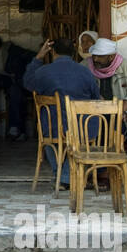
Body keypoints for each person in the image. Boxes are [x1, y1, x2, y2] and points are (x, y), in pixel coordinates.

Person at [22, 37, 100, 190]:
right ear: (73, 53)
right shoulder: (85, 72)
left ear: (53, 52)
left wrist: (38, 57)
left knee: (50, 139)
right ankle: (65, 178)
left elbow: (27, 83)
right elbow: (96, 98)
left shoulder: (43, 72)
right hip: (82, 129)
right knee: (88, 138)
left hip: (52, 129)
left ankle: (62, 177)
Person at [0, 34, 34, 140]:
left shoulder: (12, 51)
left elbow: (33, 57)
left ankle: (15, 129)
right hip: (11, 87)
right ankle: (20, 131)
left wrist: (27, 74)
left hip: (26, 83)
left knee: (16, 93)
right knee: (15, 94)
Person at [84, 38, 127, 111]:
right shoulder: (84, 66)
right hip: (92, 115)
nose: (95, 59)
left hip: (119, 116)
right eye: (94, 55)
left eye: (100, 56)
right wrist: (93, 96)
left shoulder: (126, 67)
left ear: (111, 57)